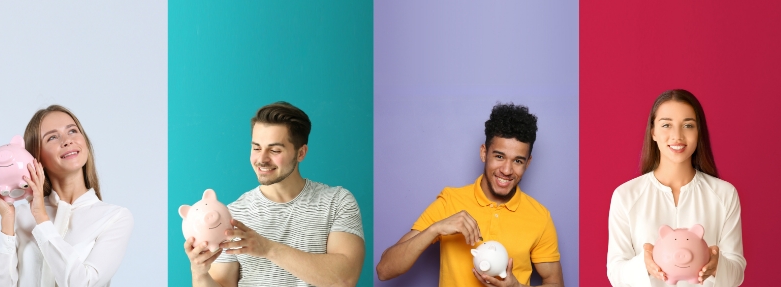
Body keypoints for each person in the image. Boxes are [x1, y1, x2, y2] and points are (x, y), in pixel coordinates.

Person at [375, 102, 563, 287]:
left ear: (528, 163)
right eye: (499, 156)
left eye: (518, 161)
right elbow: (384, 270)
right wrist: (435, 229)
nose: (506, 170)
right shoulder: (450, 201)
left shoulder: (540, 217)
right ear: (484, 153)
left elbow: (555, 283)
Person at [183, 101, 365, 287]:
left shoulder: (337, 201)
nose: (261, 159)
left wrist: (268, 248)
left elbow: (344, 279)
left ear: (301, 153)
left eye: (275, 150)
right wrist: (199, 273)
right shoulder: (232, 215)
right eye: (256, 148)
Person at [606, 89, 745, 287]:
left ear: (699, 132)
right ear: (653, 132)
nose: (677, 136)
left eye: (688, 125)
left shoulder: (724, 194)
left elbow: (737, 271)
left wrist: (717, 265)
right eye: (666, 125)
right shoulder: (626, 195)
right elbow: (615, 272)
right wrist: (644, 264)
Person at [0, 105, 134, 287]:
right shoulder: (21, 217)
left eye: (72, 131)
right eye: (52, 137)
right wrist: (7, 219)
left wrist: (42, 218)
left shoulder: (114, 218)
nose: (67, 140)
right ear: (35, 157)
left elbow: (84, 283)